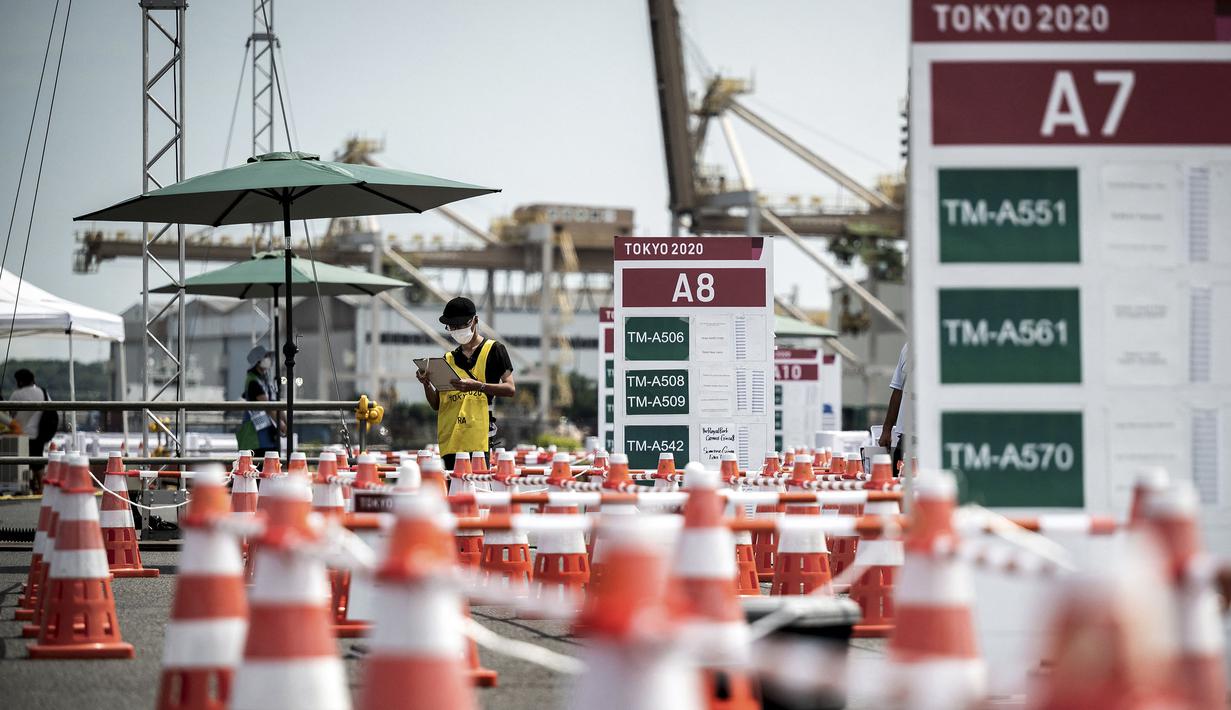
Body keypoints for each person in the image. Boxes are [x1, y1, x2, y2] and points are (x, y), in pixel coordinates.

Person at [418, 297, 516, 470]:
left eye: (461, 325)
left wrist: (478, 386)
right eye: (452, 327)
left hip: (477, 440)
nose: (457, 330)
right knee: (451, 493)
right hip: (450, 440)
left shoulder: (494, 350)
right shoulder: (447, 359)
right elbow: (437, 405)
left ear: (475, 320)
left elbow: (510, 388)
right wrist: (426, 384)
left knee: (478, 492)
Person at [9, 368, 55, 489]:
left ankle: (29, 486)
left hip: (20, 434)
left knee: (23, 463)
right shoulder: (42, 392)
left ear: (19, 381)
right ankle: (40, 487)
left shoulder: (16, 394)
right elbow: (51, 409)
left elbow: (11, 413)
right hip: (39, 433)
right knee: (37, 462)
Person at [237, 346, 284, 457]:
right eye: (266, 357)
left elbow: (275, 404)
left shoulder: (264, 379)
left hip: (266, 434)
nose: (269, 359)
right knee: (259, 467)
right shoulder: (253, 381)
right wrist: (282, 425)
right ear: (258, 361)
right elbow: (268, 406)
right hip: (255, 435)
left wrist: (286, 421)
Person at [877, 343, 908, 467]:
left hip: (932, 435)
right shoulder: (908, 347)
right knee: (899, 478)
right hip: (906, 434)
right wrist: (886, 429)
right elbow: (897, 390)